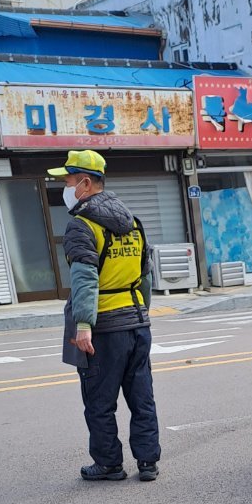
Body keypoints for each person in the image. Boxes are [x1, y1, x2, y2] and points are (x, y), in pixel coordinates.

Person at [52, 149, 162, 482]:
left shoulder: (82, 226)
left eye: (68, 181)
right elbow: (145, 276)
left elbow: (84, 278)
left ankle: (109, 464)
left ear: (85, 184)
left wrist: (84, 325)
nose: (65, 187)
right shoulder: (133, 223)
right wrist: (140, 313)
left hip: (105, 329)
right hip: (137, 324)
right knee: (142, 397)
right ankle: (147, 462)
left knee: (99, 401)